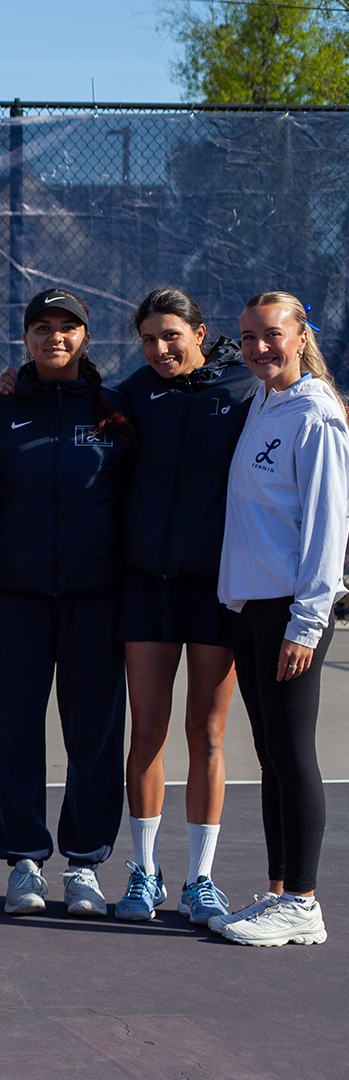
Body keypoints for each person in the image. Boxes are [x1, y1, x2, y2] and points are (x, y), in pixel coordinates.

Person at [0, 288, 134, 918]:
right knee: (13, 730)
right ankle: (23, 861)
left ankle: (86, 863)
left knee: (94, 734)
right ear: (26, 340)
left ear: (85, 338)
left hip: (98, 598)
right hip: (14, 598)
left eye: (67, 328)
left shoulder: (116, 412)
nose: (55, 338)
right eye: (42, 328)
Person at [107, 289, 254, 924]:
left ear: (200, 331)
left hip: (218, 587)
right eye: (148, 339)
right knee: (147, 730)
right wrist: (20, 379)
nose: (160, 349)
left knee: (207, 732)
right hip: (146, 584)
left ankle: (201, 878)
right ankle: (144, 873)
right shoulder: (134, 393)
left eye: (171, 336)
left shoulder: (247, 389)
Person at [209, 290, 348, 947]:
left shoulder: (316, 413)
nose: (258, 347)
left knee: (293, 753)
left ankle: (305, 901)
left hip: (289, 609)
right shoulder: (264, 401)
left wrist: (307, 620)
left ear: (299, 338)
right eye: (248, 337)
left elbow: (328, 526)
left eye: (271, 335)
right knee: (269, 752)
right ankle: (277, 893)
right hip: (250, 605)